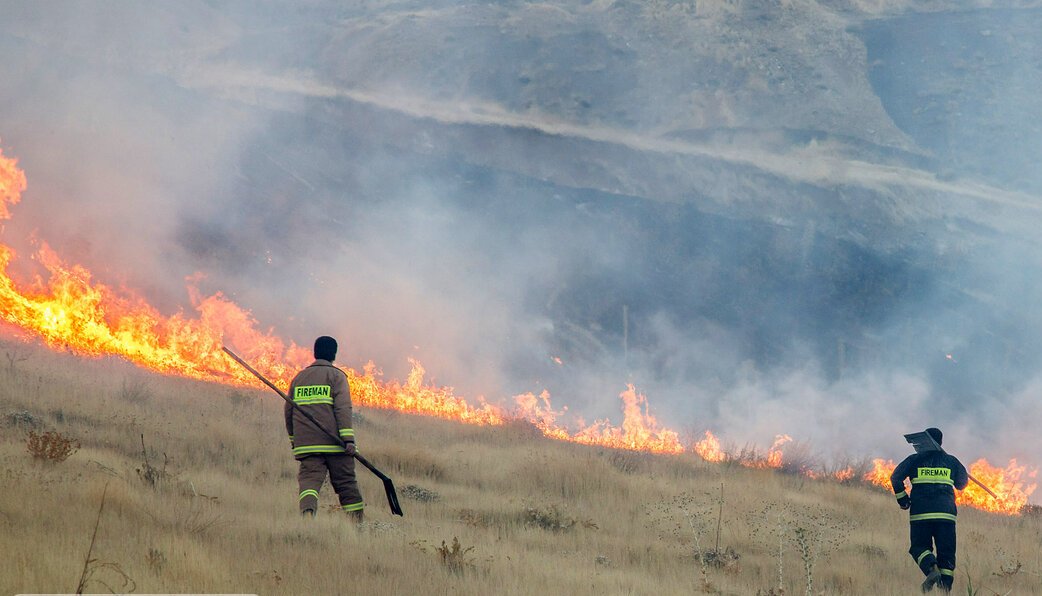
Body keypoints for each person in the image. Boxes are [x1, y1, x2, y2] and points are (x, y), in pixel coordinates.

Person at [285, 336, 364, 520]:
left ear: (315, 352)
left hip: (307, 445)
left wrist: (294, 440)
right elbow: (343, 409)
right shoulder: (336, 376)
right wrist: (348, 440)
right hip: (335, 445)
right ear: (334, 354)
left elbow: (288, 412)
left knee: (309, 483)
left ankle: (307, 516)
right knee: (346, 484)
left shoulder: (299, 378)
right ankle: (357, 524)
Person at [890, 427, 968, 593]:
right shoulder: (951, 461)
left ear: (924, 441)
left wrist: (903, 500)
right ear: (940, 442)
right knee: (946, 554)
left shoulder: (914, 459)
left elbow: (895, 477)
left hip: (921, 514)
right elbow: (961, 484)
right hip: (946, 516)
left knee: (919, 547)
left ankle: (931, 570)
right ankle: (945, 590)